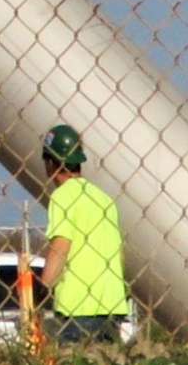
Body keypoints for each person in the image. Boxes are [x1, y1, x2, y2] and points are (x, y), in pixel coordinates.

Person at [37, 123, 129, 344]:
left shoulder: (63, 197)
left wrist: (42, 289)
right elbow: (119, 254)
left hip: (78, 308)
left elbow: (60, 247)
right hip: (112, 305)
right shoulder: (103, 198)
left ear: (50, 163)